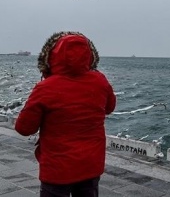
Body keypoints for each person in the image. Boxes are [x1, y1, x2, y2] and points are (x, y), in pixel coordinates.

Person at [15, 31, 116, 197]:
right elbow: (110, 107)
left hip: (57, 167)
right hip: (90, 163)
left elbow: (24, 128)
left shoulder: (46, 88)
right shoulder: (100, 80)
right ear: (89, 55)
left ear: (52, 56)